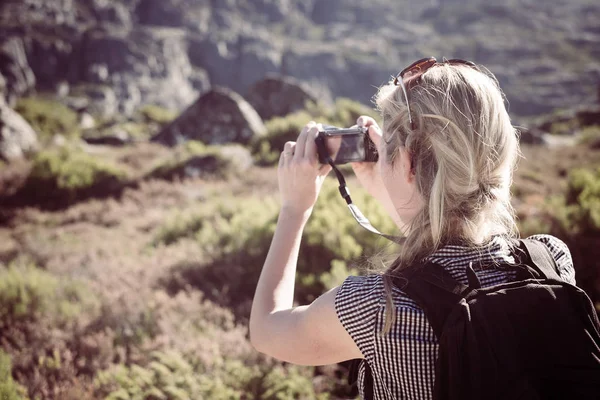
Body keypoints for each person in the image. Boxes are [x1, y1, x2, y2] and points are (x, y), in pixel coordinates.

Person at [248, 58, 576, 399]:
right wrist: (396, 187)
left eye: (384, 145)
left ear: (407, 163)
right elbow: (444, 257)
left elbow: (267, 329)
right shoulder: (550, 260)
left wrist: (294, 209)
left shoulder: (380, 309)